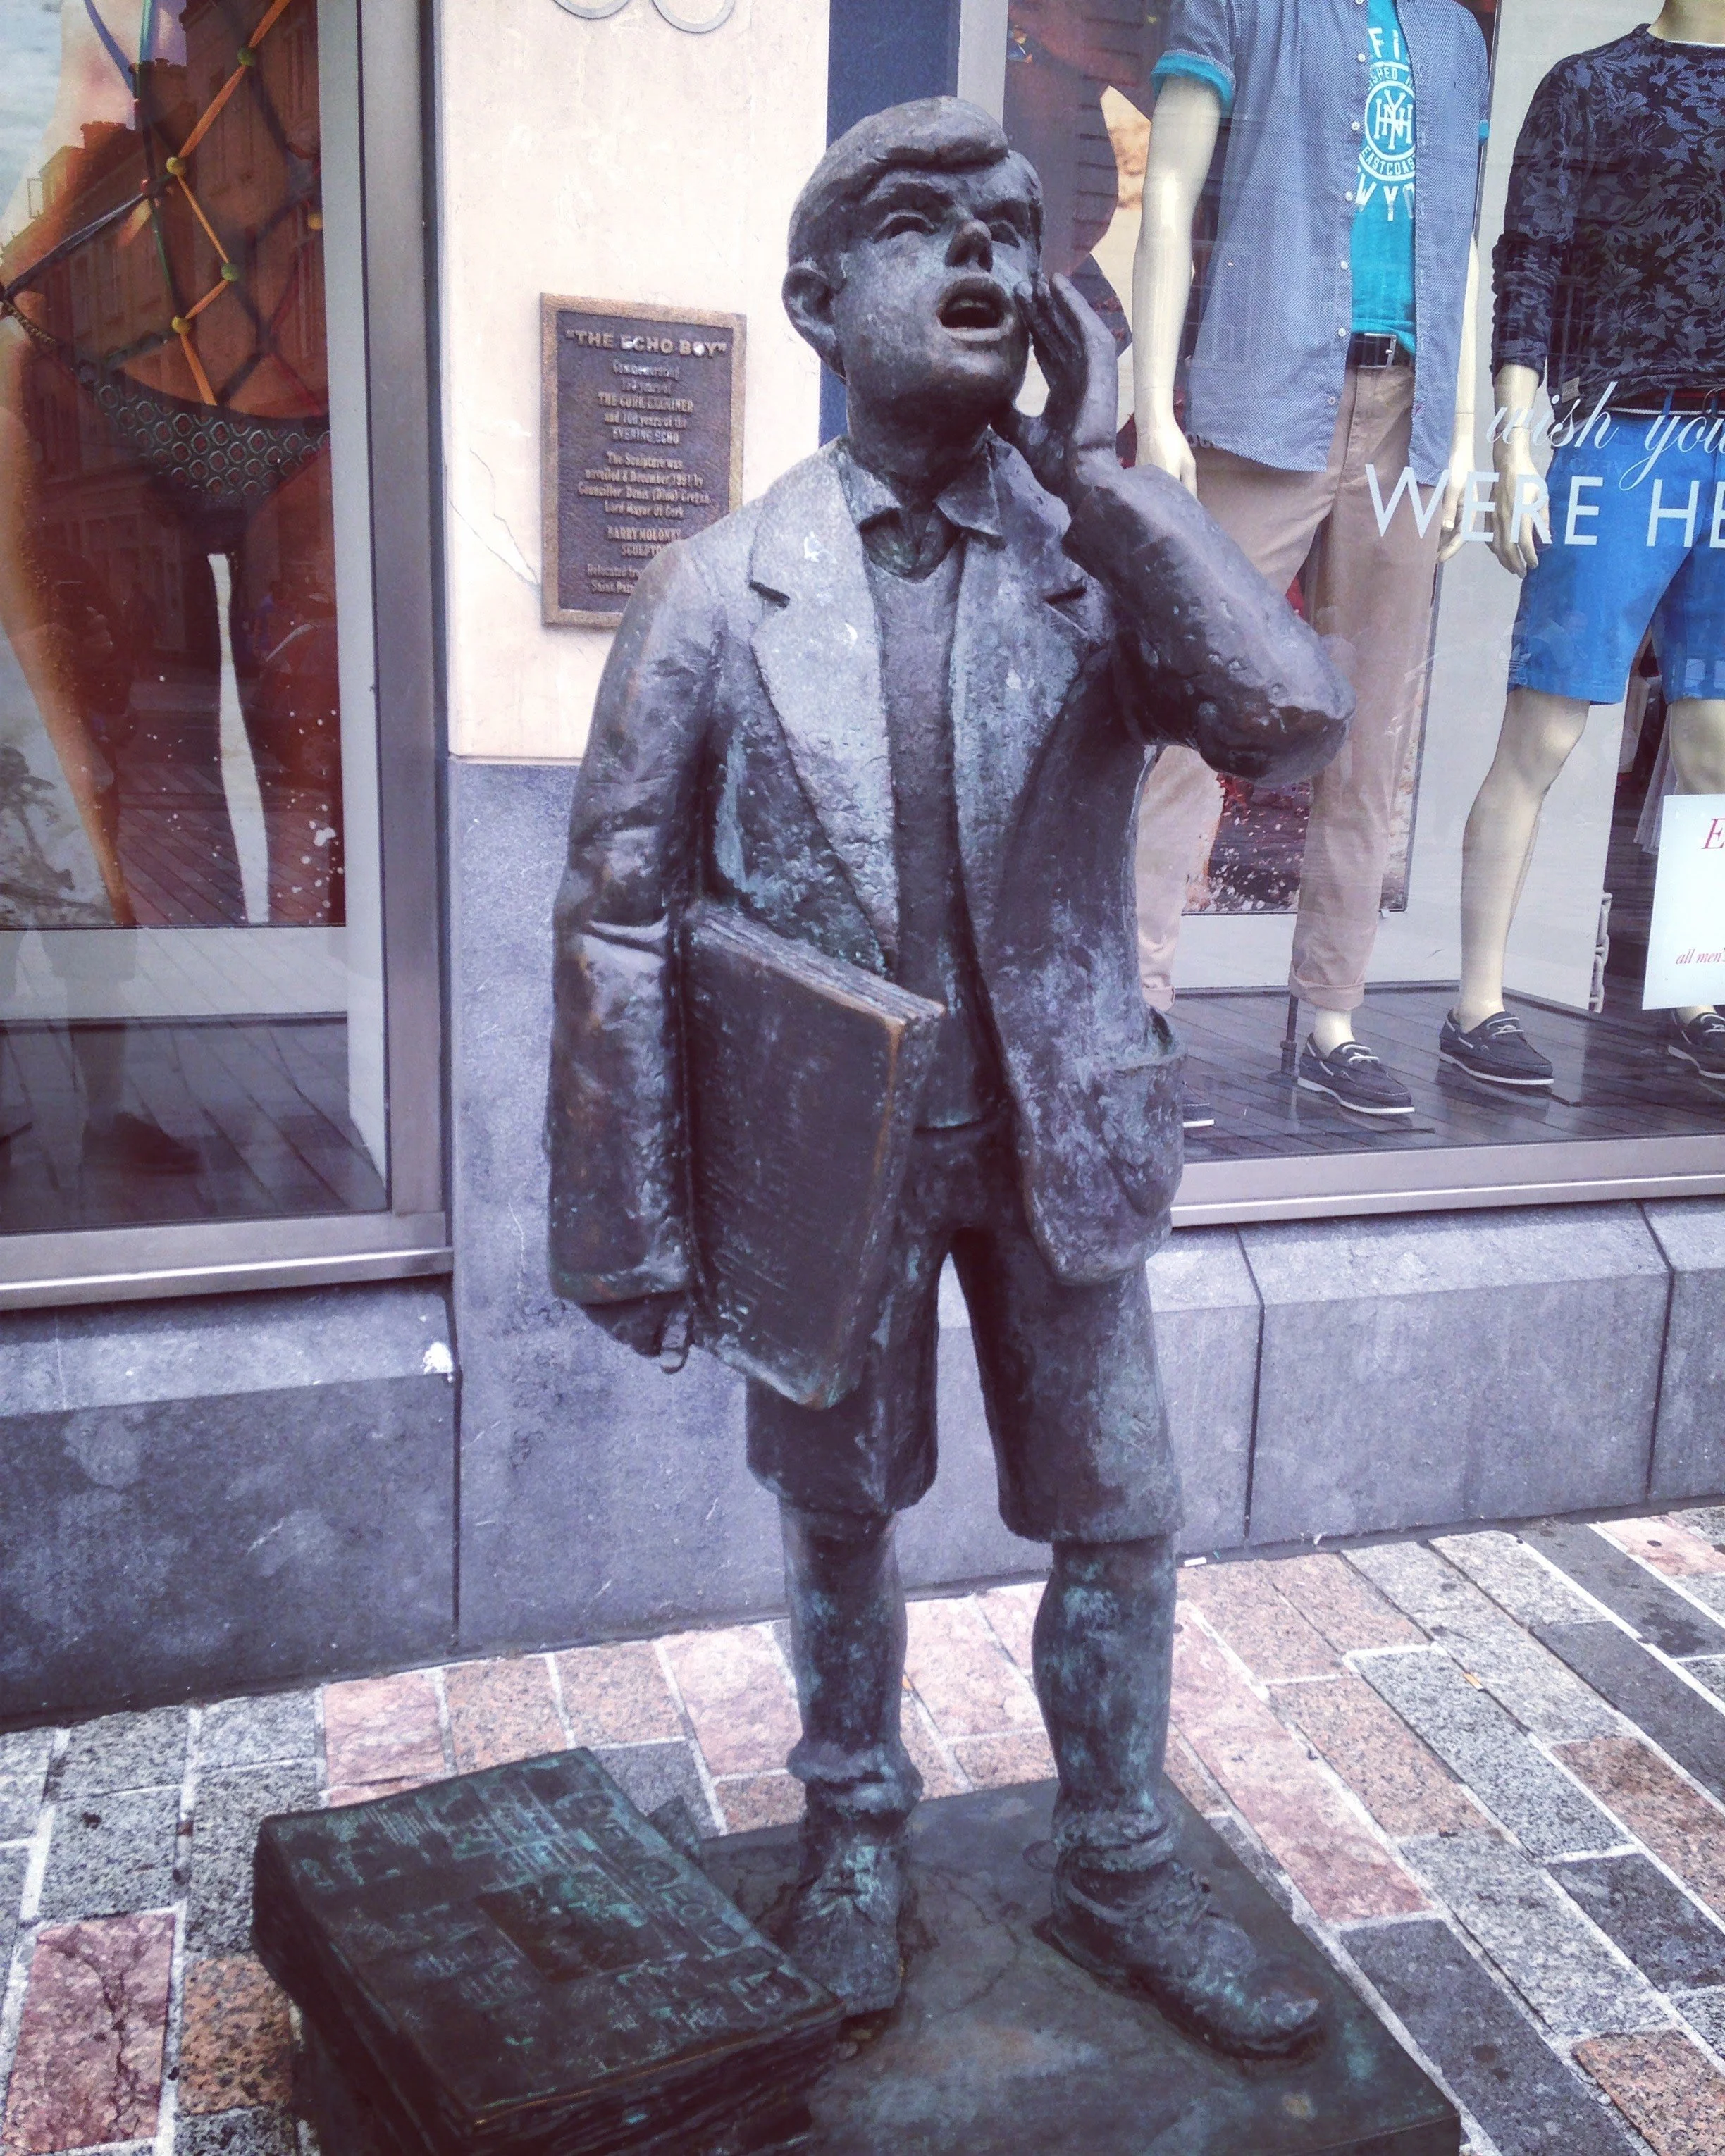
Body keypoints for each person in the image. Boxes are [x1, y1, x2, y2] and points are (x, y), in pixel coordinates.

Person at [547, 97, 1349, 2049]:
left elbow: (1292, 719)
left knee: (1123, 1511)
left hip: (1058, 1132)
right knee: (841, 1514)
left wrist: (1113, 482)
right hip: (829, 1162)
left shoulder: (1097, 568)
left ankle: (1122, 1853)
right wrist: (636, 1220)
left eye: (1015, 226)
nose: (988, 255)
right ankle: (855, 1834)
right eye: (924, 226)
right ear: (821, 301)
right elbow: (617, 919)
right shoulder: (710, 592)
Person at [1131, 0, 1489, 1117]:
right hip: (1267, 391)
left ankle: (1331, 1017)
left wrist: (1469, 434)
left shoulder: (1457, 38)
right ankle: (1133, 1002)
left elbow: (1463, 242)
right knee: (1197, 714)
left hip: (1407, 416)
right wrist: (1153, 410)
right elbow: (1169, 191)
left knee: (1373, 729)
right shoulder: (1245, 5)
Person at [1445, 0, 1725, 1092]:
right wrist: (1518, 448)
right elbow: (1531, 268)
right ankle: (1476, 1002)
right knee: (1547, 724)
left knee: (1712, 742)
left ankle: (1696, 992)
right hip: (1617, 433)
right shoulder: (1591, 86)